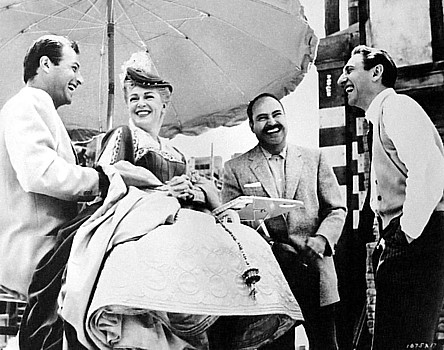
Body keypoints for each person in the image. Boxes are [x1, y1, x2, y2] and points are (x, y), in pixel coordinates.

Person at [56, 59, 304, 349]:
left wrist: (194, 192)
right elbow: (111, 175)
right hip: (137, 215)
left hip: (176, 216)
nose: (141, 104)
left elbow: (194, 188)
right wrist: (161, 189)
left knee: (239, 242)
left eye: (148, 97)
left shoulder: (174, 150)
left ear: (165, 103)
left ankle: (233, 310)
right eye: (133, 98)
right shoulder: (124, 135)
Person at [337, 45, 444, 350]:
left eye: (350, 69)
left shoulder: (397, 108)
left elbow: (429, 170)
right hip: (406, 238)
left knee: (408, 341)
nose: (343, 78)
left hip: (418, 237)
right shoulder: (379, 117)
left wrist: (405, 234)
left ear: (376, 72)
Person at [221, 92, 347, 350]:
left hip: (316, 271)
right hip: (271, 280)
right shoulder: (235, 168)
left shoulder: (315, 158)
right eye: (262, 118)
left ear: (286, 118)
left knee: (325, 344)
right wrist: (265, 245)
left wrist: (322, 240)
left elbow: (336, 209)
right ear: (252, 126)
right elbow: (231, 223)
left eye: (277, 115)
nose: (271, 122)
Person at [0, 35, 112, 300]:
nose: (80, 78)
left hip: (42, 249)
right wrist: (100, 180)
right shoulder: (28, 103)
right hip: (41, 253)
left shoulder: (34, 107)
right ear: (46, 64)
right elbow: (39, 173)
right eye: (73, 68)